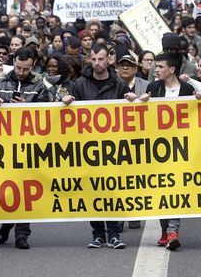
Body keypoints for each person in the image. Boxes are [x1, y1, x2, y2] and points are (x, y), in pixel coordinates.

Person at [62, 43, 135, 249]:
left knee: (111, 190)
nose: (97, 63)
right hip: (88, 148)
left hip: (113, 148)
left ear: (108, 59)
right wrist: (66, 102)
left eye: (101, 59)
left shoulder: (119, 84)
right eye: (93, 59)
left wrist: (132, 100)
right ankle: (97, 234)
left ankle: (113, 234)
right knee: (92, 191)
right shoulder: (79, 84)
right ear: (88, 59)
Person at [138, 51, 201, 251]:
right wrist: (139, 101)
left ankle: (173, 231)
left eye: (161, 66)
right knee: (161, 190)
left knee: (175, 190)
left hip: (182, 149)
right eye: (156, 66)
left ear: (172, 69)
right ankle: (165, 231)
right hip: (159, 150)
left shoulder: (187, 89)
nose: (156, 69)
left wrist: (199, 98)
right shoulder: (153, 87)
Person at [0, 48, 49, 249]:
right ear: (14, 62)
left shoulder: (39, 85)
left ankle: (22, 234)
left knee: (26, 191)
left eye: (26, 69)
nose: (21, 72)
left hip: (29, 148)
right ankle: (6, 225)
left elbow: (47, 114)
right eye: (19, 68)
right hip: (3, 147)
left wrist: (27, 108)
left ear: (33, 66)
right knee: (8, 191)